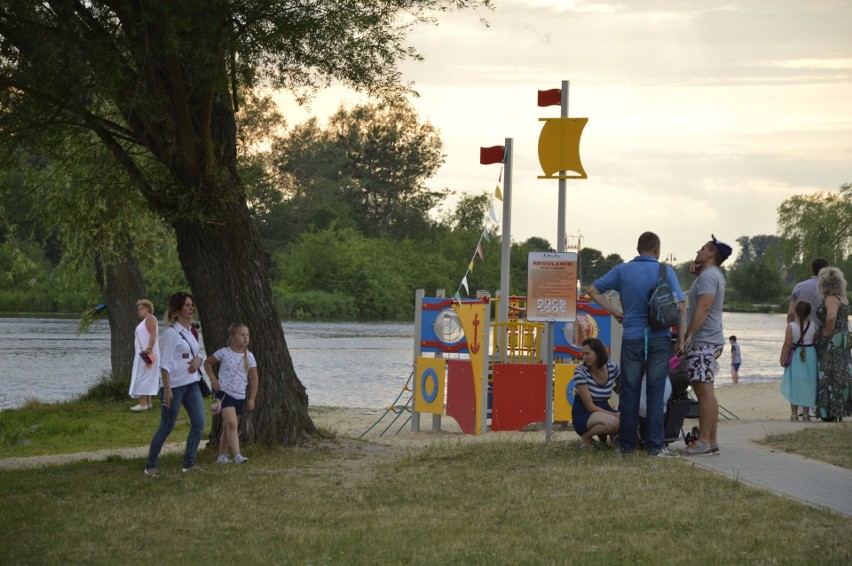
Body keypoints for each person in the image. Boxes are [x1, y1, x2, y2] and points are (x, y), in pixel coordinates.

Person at [586, 231, 685, 457]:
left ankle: (627, 446)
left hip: (631, 338)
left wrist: (614, 311)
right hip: (659, 339)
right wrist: (679, 339)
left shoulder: (622, 270)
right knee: (655, 392)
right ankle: (655, 447)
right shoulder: (665, 271)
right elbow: (681, 305)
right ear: (657, 250)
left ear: (637, 248)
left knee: (629, 394)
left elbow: (592, 290)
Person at [144, 291, 206, 477]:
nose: (191, 308)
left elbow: (197, 352)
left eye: (191, 304)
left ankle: (189, 463)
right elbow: (165, 363)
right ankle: (151, 465)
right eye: (187, 305)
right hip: (175, 386)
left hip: (192, 384)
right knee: (167, 427)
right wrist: (168, 389)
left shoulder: (190, 330)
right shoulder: (171, 333)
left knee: (199, 423)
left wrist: (198, 361)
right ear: (177, 310)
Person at [681, 235, 731, 456]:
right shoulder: (710, 274)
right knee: (705, 390)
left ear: (711, 254)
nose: (698, 251)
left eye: (702, 249)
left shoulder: (709, 277)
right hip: (710, 340)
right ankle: (711, 441)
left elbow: (704, 307)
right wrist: (697, 271)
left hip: (704, 341)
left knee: (703, 390)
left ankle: (704, 441)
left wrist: (687, 335)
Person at [204, 323, 259, 464]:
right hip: (224, 394)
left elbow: (254, 379)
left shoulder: (250, 356)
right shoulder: (224, 352)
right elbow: (207, 363)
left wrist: (252, 398)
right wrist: (213, 379)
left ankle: (221, 456)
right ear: (233, 337)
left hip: (240, 396)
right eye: (242, 334)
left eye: (247, 335)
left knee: (228, 426)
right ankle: (237, 455)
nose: (245, 337)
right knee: (232, 423)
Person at [815, 267, 852, 422]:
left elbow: (831, 318)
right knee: (841, 374)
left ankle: (829, 411)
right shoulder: (842, 298)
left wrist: (826, 333)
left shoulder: (830, 298)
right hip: (843, 339)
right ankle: (839, 409)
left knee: (829, 374)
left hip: (833, 341)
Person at [571, 337, 620, 449]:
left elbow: (624, 386)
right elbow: (590, 407)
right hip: (584, 412)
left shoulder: (612, 367)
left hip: (603, 408)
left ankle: (605, 443)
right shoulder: (580, 371)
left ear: (598, 352)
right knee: (614, 422)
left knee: (627, 418)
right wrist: (615, 414)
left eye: (587, 354)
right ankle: (586, 437)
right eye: (583, 354)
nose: (584, 357)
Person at [780, 301, 818, 421]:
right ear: (809, 312)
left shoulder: (791, 326)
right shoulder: (813, 326)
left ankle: (794, 414)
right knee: (808, 384)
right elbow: (814, 340)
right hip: (810, 355)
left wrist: (782, 358)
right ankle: (806, 414)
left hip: (796, 355)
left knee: (795, 384)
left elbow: (787, 344)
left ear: (795, 311)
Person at [129, 299, 159, 411]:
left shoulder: (150, 318)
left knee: (142, 376)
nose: (138, 311)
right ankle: (148, 403)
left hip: (147, 352)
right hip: (143, 353)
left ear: (146, 309)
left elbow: (153, 334)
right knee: (146, 376)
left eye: (140, 309)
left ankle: (142, 403)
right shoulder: (146, 320)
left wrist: (150, 347)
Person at [787, 257, 830, 325]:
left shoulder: (799, 287)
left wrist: (791, 330)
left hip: (802, 331)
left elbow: (791, 313)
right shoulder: (830, 289)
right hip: (822, 332)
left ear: (812, 270)